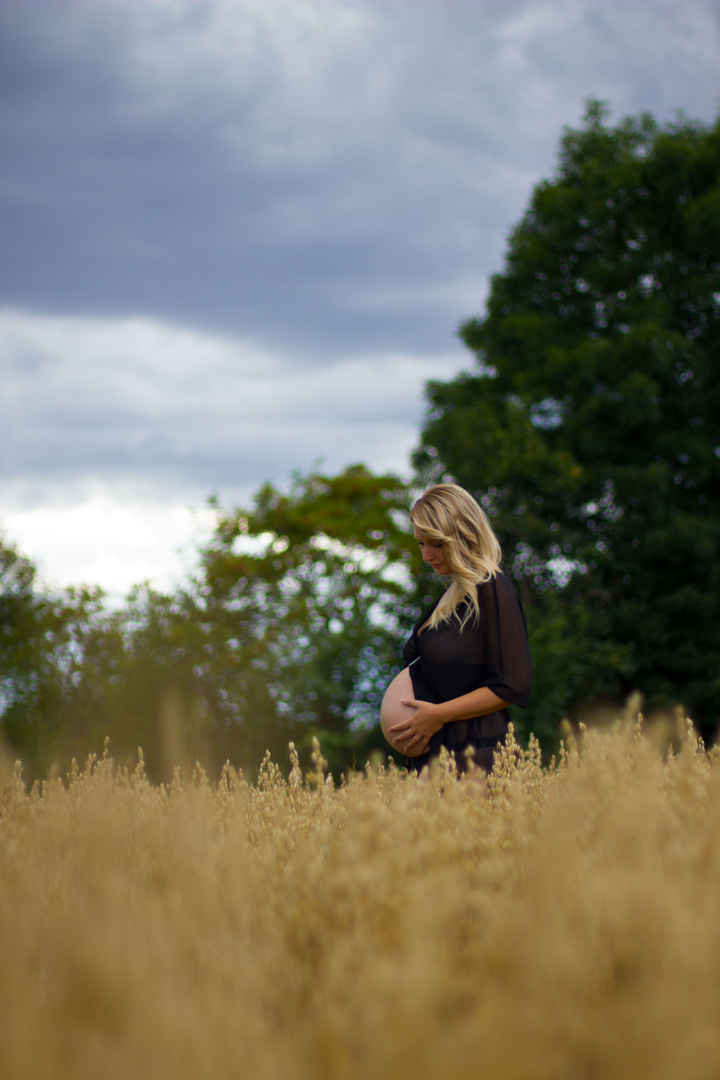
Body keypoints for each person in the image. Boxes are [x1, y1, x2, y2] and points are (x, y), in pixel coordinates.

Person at [380, 483, 532, 773]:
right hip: (441, 753)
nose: (426, 555)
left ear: (463, 535)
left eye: (436, 543)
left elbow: (514, 682)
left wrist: (438, 715)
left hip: (475, 753)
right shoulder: (454, 593)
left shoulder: (492, 588)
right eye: (421, 544)